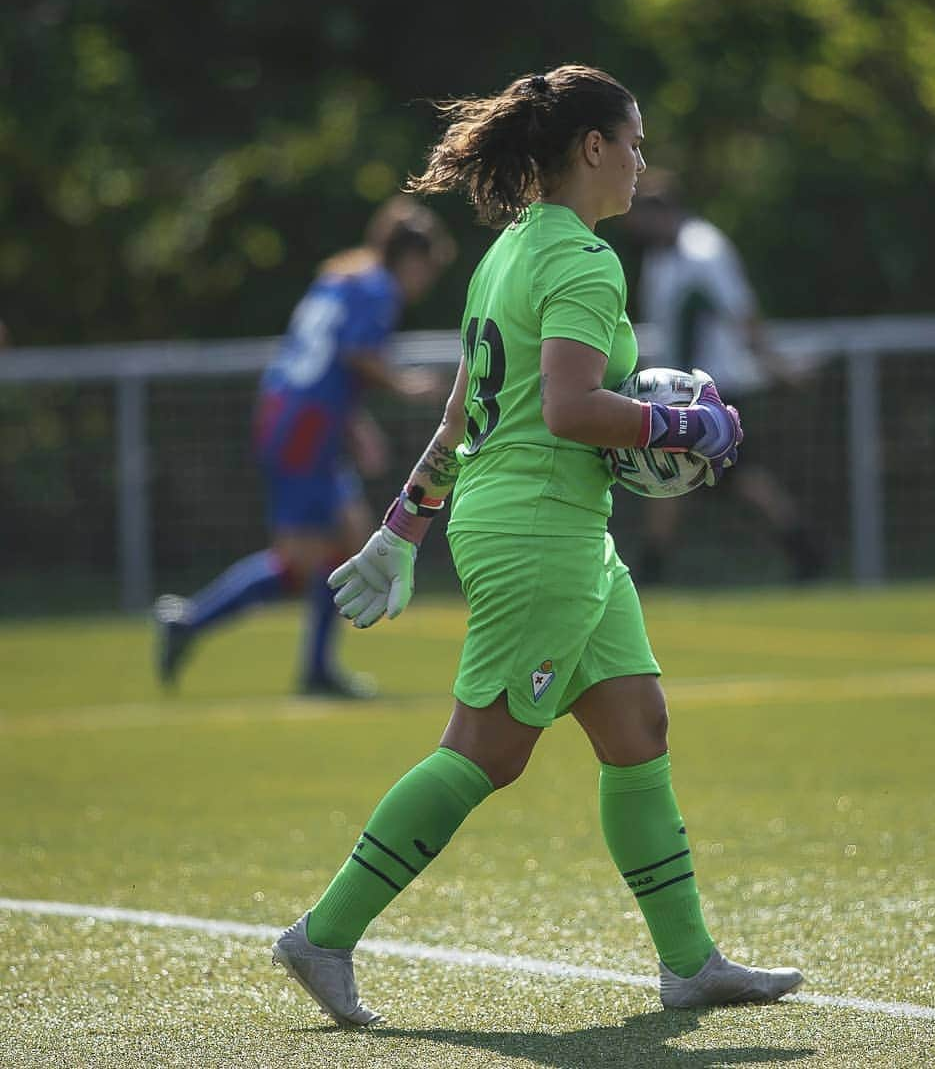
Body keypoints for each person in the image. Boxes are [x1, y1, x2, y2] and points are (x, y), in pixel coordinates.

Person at [270, 64, 803, 1023]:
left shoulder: (514, 248)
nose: (642, 162)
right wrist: (688, 430)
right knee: (487, 751)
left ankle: (691, 964)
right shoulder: (582, 261)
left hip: (563, 530)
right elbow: (567, 411)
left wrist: (403, 524)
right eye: (633, 143)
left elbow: (465, 411)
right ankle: (324, 935)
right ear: (591, 148)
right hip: (536, 530)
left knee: (638, 727)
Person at [154, 197, 455, 698]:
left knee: (343, 539)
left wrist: (355, 426)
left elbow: (325, 365)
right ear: (410, 259)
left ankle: (309, 664)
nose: (425, 282)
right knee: (303, 559)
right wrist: (407, 387)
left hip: (290, 415)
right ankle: (193, 622)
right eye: (426, 269)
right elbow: (356, 355)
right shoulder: (379, 289)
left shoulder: (343, 276)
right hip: (304, 429)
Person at [625, 172, 827, 584]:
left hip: (713, 391)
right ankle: (805, 552)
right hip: (678, 395)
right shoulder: (662, 256)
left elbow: (743, 315)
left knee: (712, 476)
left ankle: (651, 572)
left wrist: (778, 367)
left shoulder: (705, 251)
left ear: (663, 211)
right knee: (696, 476)